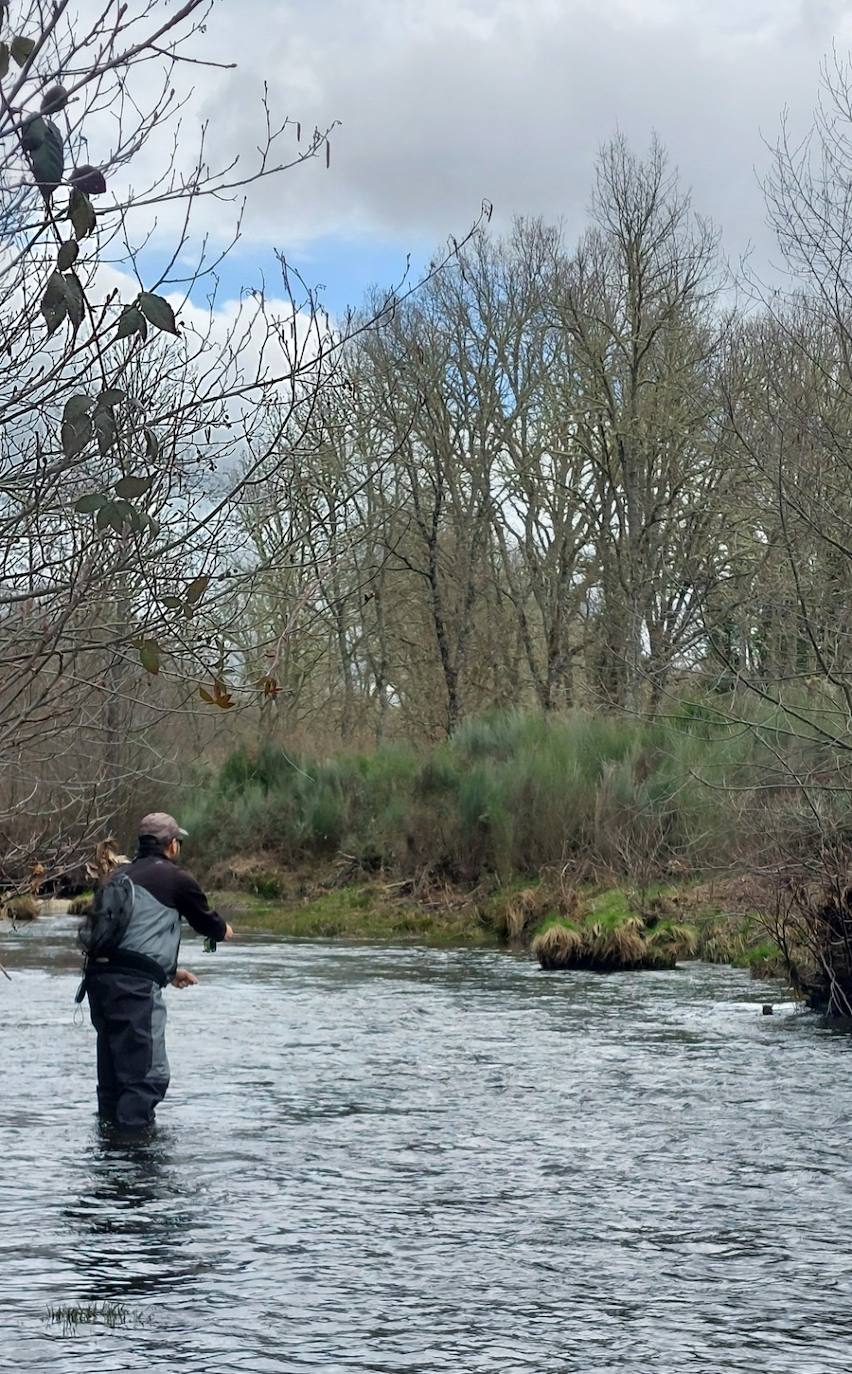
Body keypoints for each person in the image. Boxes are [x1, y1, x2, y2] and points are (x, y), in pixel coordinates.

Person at [79, 812, 233, 1134]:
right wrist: (224, 931)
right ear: (172, 845)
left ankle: (110, 1156)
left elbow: (124, 939)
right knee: (144, 1079)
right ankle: (136, 1164)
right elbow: (207, 923)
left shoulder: (117, 877)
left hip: (99, 984)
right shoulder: (176, 879)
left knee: (113, 1083)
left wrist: (168, 972)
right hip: (134, 991)